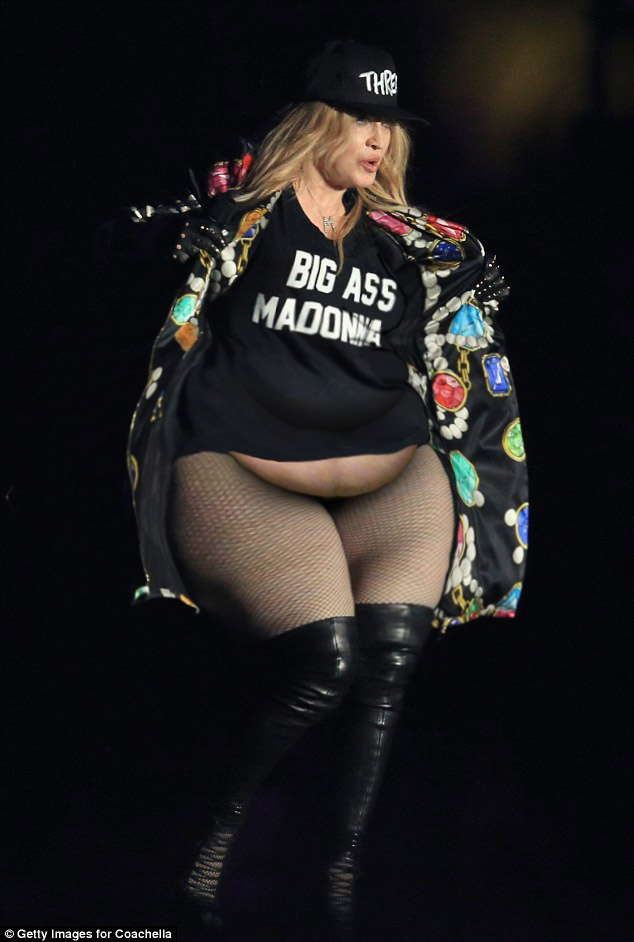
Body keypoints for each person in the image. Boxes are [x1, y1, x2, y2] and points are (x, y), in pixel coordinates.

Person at [124, 40, 528, 936]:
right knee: (325, 662)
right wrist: (163, 238)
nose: (378, 139)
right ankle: (209, 842)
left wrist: (473, 293)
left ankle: (337, 878)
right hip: (250, 465)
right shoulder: (243, 212)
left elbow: (456, 349)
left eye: (389, 124)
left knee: (389, 663)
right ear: (315, 122)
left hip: (390, 468)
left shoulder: (409, 243)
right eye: (359, 119)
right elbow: (125, 237)